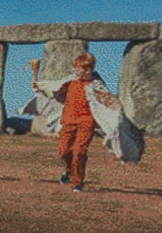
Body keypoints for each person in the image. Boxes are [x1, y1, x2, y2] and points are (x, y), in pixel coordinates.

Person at [22, 53, 143, 192]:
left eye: (81, 69)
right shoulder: (70, 80)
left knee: (79, 151)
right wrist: (40, 86)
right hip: (68, 120)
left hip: (86, 122)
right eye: (76, 68)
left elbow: (108, 100)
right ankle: (69, 170)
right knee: (63, 151)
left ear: (89, 69)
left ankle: (77, 182)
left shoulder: (96, 84)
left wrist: (116, 110)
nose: (78, 71)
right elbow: (54, 89)